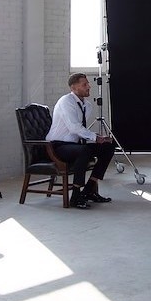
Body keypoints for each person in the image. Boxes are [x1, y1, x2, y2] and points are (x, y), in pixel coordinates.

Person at [47, 72, 115, 209]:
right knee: (84, 150)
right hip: (57, 146)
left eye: (88, 83)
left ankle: (89, 190)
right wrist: (96, 138)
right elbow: (74, 127)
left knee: (108, 146)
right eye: (84, 84)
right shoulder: (66, 101)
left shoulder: (87, 105)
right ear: (73, 87)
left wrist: (99, 138)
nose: (89, 86)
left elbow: (80, 130)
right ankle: (76, 196)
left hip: (74, 146)